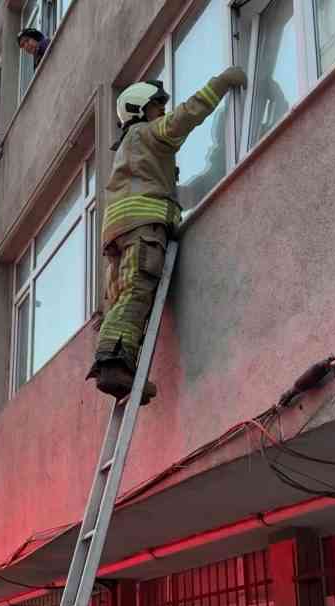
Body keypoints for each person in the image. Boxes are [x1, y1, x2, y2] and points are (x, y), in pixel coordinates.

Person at [86, 66, 247, 404]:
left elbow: (171, 193)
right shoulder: (146, 134)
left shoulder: (131, 152)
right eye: (157, 106)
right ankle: (114, 366)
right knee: (137, 292)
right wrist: (221, 82)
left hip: (118, 230)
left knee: (120, 299)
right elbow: (185, 118)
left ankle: (120, 366)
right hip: (143, 226)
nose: (163, 112)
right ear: (141, 110)